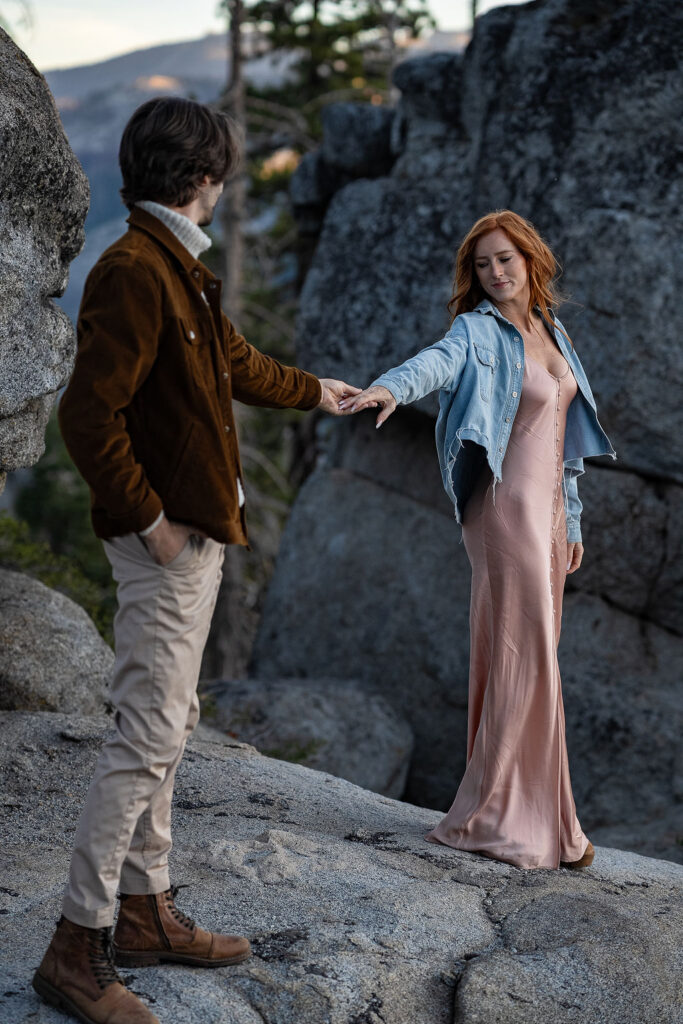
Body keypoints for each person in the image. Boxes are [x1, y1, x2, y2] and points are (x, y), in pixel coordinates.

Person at [32, 96, 359, 1024]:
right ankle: (75, 947)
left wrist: (314, 393)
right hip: (166, 544)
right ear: (203, 177)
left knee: (170, 723)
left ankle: (145, 910)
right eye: (222, 171)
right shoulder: (136, 269)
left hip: (197, 534)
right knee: (144, 738)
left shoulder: (177, 265)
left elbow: (232, 364)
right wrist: (153, 524)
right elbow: (88, 418)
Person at [341, 210, 617, 872]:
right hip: (502, 508)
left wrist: (572, 522)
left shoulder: (553, 331)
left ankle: (522, 813)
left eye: (504, 259)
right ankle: (515, 821)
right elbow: (434, 364)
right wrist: (386, 389)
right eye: (482, 263)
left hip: (548, 513)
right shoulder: (475, 331)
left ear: (530, 261)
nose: (494, 272)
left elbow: (564, 450)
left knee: (526, 654)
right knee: (529, 659)